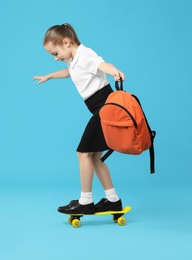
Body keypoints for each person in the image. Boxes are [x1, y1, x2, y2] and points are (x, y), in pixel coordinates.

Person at [33, 23, 125, 214]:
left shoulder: (85, 55)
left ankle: (85, 201)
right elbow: (69, 72)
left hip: (104, 107)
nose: (56, 58)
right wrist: (49, 76)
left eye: (55, 53)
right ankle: (113, 200)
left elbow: (102, 65)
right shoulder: (75, 60)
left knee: (83, 154)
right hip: (99, 108)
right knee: (95, 158)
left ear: (66, 43)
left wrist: (114, 70)